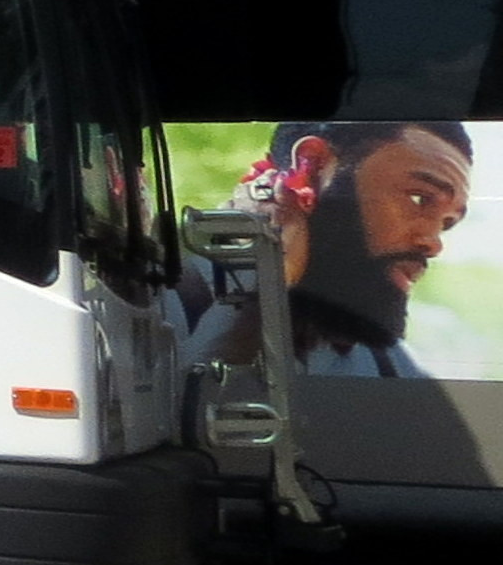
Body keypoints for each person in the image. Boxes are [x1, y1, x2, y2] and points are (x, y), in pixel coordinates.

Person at [171, 121, 472, 379]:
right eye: (420, 198)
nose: (433, 244)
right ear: (313, 166)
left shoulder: (388, 362)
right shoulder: (164, 295)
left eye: (447, 223)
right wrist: (268, 287)